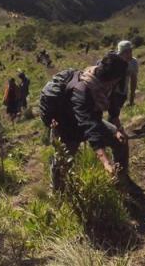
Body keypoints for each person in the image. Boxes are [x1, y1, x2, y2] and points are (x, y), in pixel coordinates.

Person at [40, 54, 131, 184]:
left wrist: (117, 129)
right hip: (67, 125)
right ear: (114, 78)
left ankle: (121, 180)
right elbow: (89, 126)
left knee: (120, 141)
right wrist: (105, 162)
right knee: (63, 161)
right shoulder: (82, 91)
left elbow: (112, 105)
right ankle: (58, 192)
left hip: (90, 120)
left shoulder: (103, 82)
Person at [112, 40, 139, 107]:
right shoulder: (113, 61)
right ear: (122, 52)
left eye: (131, 50)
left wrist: (131, 100)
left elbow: (133, 81)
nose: (130, 53)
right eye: (128, 51)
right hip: (111, 93)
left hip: (122, 93)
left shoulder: (133, 62)